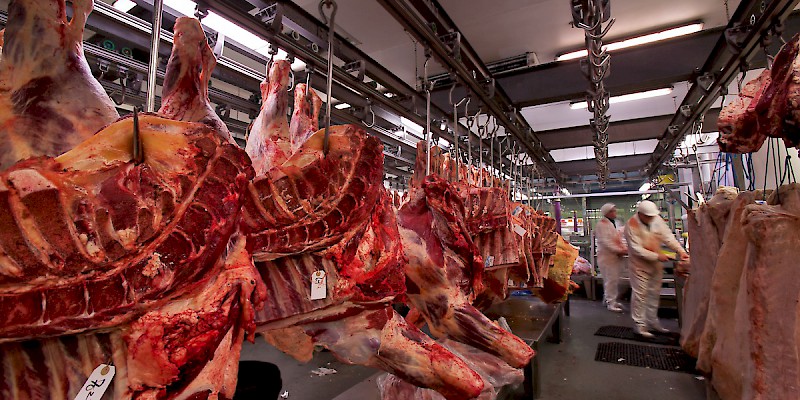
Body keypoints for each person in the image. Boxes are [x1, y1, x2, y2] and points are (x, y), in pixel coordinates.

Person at [625, 200, 688, 338]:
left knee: (654, 294)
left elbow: (668, 237)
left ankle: (652, 322)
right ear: (640, 214)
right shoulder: (631, 224)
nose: (651, 218)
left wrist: (680, 251)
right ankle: (639, 325)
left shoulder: (656, 219)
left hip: (655, 265)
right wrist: (657, 256)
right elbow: (636, 249)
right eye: (648, 216)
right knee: (640, 295)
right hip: (639, 266)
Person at [595, 203, 628, 312]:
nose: (615, 213)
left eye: (615, 210)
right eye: (612, 211)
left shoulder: (615, 223)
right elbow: (606, 241)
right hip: (607, 257)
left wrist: (623, 248)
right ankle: (611, 303)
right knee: (611, 280)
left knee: (612, 280)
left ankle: (608, 299)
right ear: (607, 213)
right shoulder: (601, 224)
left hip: (614, 256)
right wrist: (619, 250)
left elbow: (618, 237)